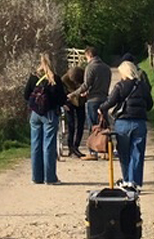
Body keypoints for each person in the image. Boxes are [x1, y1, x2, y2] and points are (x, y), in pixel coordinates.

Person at [99, 59, 153, 187]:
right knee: (137, 154)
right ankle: (136, 183)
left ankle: (127, 180)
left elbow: (110, 102)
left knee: (124, 153)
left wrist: (101, 108)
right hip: (139, 122)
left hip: (123, 122)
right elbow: (150, 104)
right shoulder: (143, 86)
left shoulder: (120, 86)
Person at [24, 53, 67, 184]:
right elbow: (61, 98)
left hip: (35, 114)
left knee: (35, 144)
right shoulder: (55, 79)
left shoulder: (33, 77)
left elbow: (26, 95)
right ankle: (50, 178)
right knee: (48, 145)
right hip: (49, 114)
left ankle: (36, 177)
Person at [67, 46, 111, 159]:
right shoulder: (106, 68)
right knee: (103, 124)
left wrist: (74, 94)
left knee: (93, 126)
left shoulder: (90, 67)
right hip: (104, 98)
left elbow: (86, 85)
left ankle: (93, 151)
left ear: (89, 55)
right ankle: (105, 149)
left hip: (93, 100)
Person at [61, 66, 86, 157]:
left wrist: (85, 93)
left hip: (81, 101)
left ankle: (76, 146)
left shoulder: (84, 77)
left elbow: (87, 86)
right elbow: (62, 92)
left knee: (81, 124)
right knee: (71, 124)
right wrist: (64, 103)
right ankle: (70, 147)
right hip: (69, 102)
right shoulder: (64, 80)